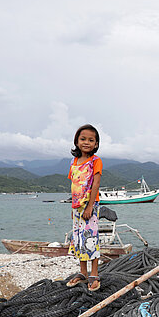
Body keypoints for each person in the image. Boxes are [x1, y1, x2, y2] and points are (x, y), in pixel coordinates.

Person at [67, 124, 103, 291]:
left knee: (91, 238)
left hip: (90, 205)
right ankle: (83, 272)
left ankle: (94, 273)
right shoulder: (74, 162)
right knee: (79, 239)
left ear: (96, 144)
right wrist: (73, 208)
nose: (86, 142)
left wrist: (89, 207)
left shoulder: (96, 161)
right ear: (76, 141)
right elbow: (74, 184)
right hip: (76, 207)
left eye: (91, 140)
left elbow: (95, 184)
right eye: (83, 139)